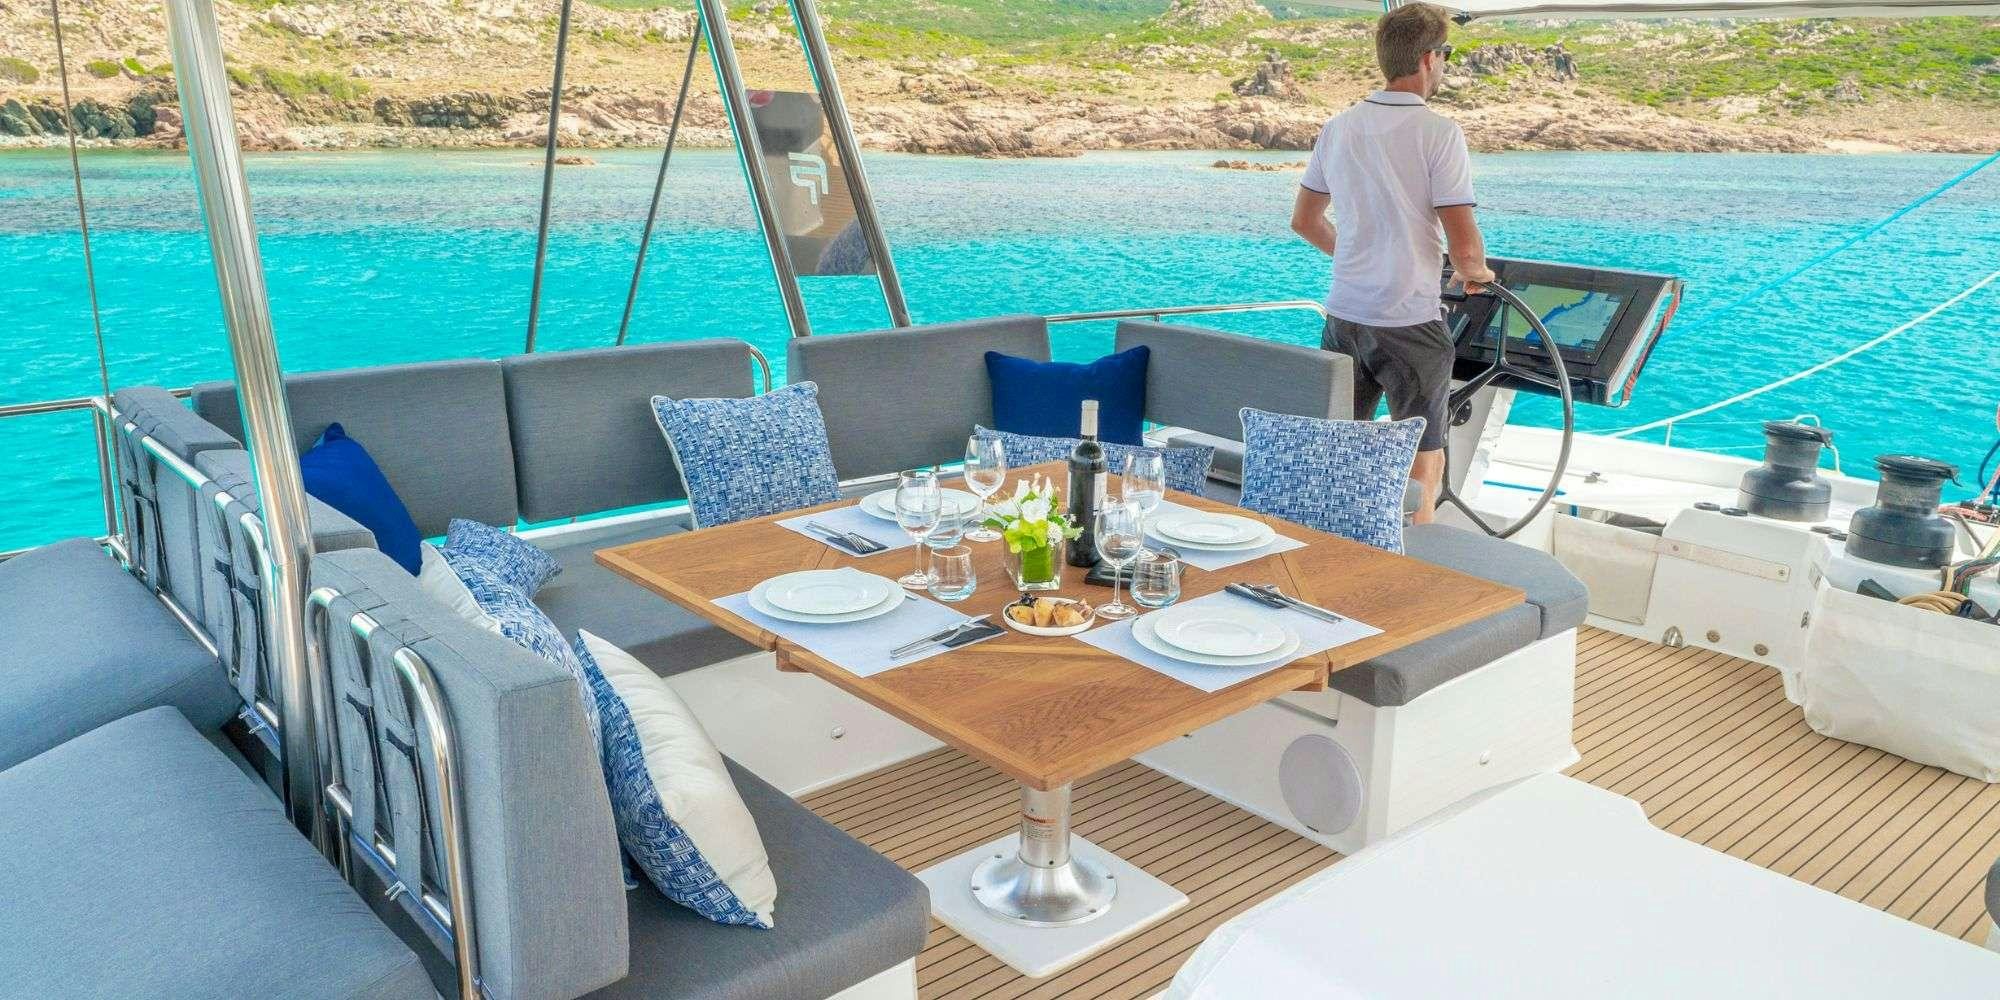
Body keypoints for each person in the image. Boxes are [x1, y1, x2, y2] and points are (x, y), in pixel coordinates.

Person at [1290, 2, 1494, 525]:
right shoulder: (1439, 132)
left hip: (1345, 317)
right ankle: (1414, 553)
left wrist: (1358, 256)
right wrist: (1476, 274)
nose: (1444, 65)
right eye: (1445, 55)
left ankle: (1340, 538)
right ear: (1428, 59)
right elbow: (1465, 250)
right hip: (1409, 321)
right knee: (1423, 455)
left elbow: (1306, 221)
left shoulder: (1339, 128)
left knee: (1342, 446)